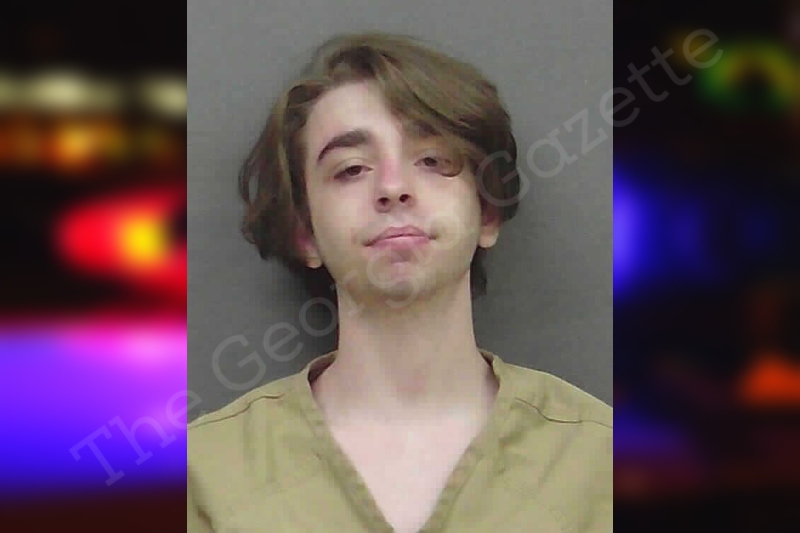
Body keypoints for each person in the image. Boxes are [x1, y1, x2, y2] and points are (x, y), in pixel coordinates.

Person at [188, 32, 612, 533]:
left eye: (432, 160)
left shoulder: (600, 462)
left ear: (488, 213)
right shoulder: (205, 475)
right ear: (305, 233)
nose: (392, 187)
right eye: (351, 169)